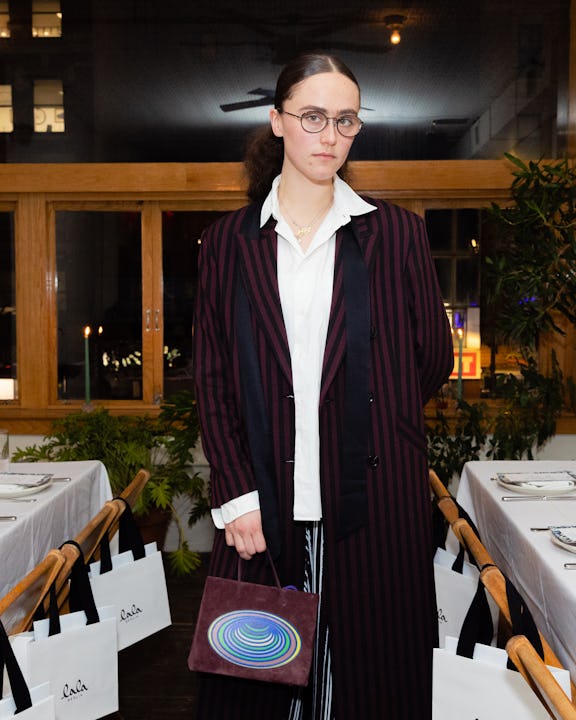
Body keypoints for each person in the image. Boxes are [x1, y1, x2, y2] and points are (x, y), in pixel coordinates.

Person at [193, 53, 454, 720]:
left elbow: (430, 361)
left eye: (345, 120)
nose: (329, 135)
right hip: (261, 508)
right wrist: (234, 493)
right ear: (278, 122)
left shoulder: (396, 235)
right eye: (313, 117)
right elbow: (214, 376)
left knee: (372, 684)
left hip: (375, 501)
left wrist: (371, 422)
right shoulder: (228, 243)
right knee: (258, 683)